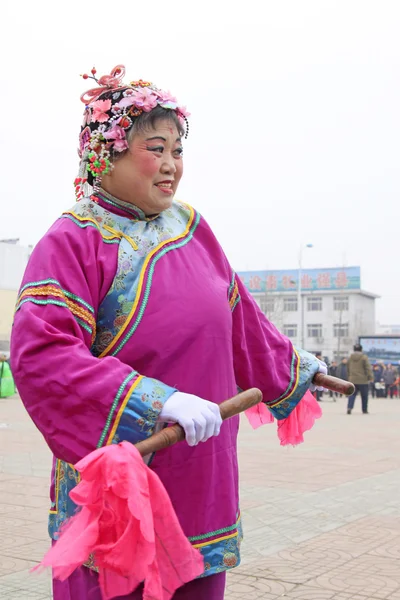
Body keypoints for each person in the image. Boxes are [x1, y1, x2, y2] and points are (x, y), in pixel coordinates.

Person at [10, 65, 326, 600]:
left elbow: (240, 321)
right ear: (102, 156)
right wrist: (154, 401)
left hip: (204, 475)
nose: (172, 165)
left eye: (178, 150)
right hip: (123, 483)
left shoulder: (191, 227)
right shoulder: (72, 241)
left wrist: (294, 366)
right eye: (156, 148)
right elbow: (42, 356)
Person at [346, 344, 373, 414]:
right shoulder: (364, 357)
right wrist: (370, 377)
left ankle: (349, 407)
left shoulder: (350, 357)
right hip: (363, 380)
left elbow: (348, 368)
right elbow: (368, 368)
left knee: (352, 395)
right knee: (364, 396)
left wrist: (349, 377)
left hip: (352, 379)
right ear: (361, 349)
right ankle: (364, 410)